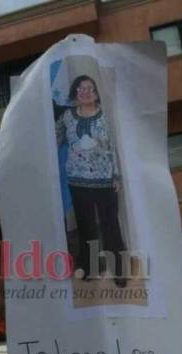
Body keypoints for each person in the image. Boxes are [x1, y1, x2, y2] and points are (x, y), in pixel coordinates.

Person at [55, 74, 127, 287]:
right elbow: (54, 140)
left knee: (110, 225)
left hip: (105, 179)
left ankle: (119, 271)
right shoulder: (67, 117)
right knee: (86, 227)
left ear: (96, 93)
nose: (85, 92)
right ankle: (90, 269)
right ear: (75, 93)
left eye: (90, 88)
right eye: (81, 88)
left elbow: (113, 147)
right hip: (77, 180)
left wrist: (116, 175)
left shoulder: (106, 116)